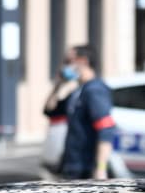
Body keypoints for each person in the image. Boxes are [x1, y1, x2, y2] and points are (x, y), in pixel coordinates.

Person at [44, 45, 115, 180]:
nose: (64, 66)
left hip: (86, 169)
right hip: (72, 167)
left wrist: (101, 169)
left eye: (68, 61)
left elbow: (105, 130)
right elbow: (50, 110)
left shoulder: (95, 90)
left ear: (83, 61)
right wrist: (59, 84)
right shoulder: (78, 91)